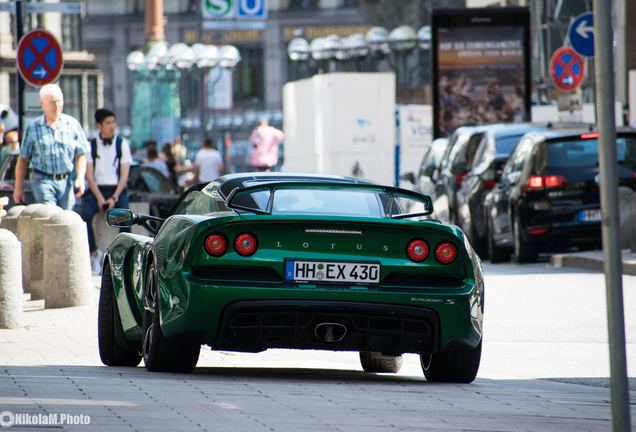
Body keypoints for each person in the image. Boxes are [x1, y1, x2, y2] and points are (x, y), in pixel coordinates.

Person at [13, 84, 86, 209]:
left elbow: (81, 154)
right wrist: (18, 187)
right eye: (52, 102)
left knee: (67, 219)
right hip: (42, 179)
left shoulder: (72, 125)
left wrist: (80, 178)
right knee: (50, 214)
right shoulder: (33, 127)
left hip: (66, 180)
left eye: (59, 101)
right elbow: (23, 159)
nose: (57, 106)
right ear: (42, 104)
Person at [80, 108, 133, 276]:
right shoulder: (91, 145)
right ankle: (94, 255)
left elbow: (124, 175)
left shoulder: (122, 144)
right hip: (97, 190)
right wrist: (100, 198)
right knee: (85, 216)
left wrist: (113, 198)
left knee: (126, 217)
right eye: (108, 123)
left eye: (113, 122)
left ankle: (123, 257)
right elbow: (89, 175)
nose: (112, 126)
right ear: (99, 125)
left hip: (116, 189)